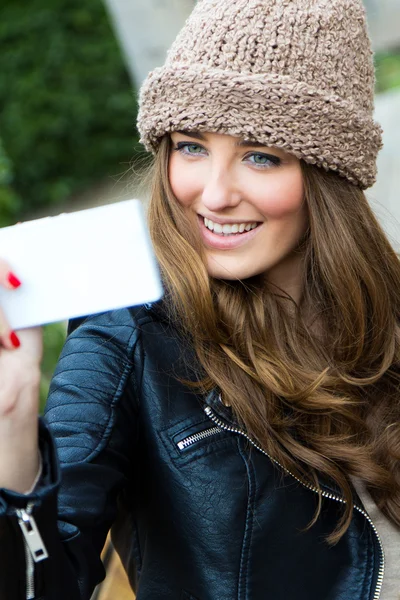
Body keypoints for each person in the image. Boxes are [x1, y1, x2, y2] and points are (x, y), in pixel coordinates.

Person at [0, 0, 399, 598]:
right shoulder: (126, 337)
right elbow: (45, 577)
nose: (213, 195)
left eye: (260, 155)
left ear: (329, 174)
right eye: (191, 146)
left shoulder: (387, 314)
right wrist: (11, 418)